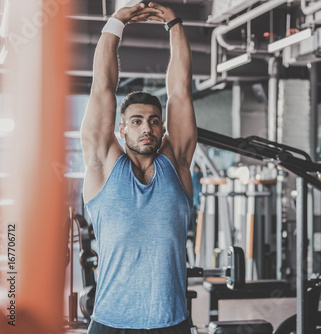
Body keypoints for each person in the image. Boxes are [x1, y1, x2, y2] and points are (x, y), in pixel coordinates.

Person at [80, 2, 196, 333]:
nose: (147, 128)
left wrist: (174, 23)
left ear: (162, 129)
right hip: (109, 323)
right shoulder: (103, 164)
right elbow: (102, 87)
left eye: (154, 121)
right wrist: (115, 23)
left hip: (171, 323)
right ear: (122, 129)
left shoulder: (178, 163)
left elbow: (180, 91)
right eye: (137, 121)